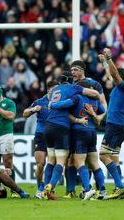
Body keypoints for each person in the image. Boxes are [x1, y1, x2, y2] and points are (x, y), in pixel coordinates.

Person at [43, 71, 99, 200]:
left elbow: (51, 102)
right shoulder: (73, 88)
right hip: (60, 126)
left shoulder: (54, 90)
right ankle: (50, 186)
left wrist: (52, 104)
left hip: (48, 126)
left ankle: (44, 189)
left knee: (51, 160)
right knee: (61, 161)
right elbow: (93, 94)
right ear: (70, 80)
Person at [65, 60, 107, 198]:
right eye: (71, 71)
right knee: (93, 162)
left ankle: (85, 189)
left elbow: (66, 109)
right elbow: (102, 108)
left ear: (83, 70)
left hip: (78, 130)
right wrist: (97, 117)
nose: (73, 73)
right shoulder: (93, 97)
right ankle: (102, 191)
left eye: (75, 70)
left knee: (77, 161)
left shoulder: (77, 94)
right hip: (92, 131)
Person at [98, 48, 124, 199]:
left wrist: (109, 58)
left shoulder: (123, 87)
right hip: (118, 125)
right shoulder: (118, 90)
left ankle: (119, 186)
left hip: (115, 126)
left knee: (103, 155)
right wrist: (105, 62)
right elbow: (112, 74)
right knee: (114, 157)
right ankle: (120, 192)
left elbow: (114, 74)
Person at [22, 80, 59, 199]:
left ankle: (49, 188)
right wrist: (33, 110)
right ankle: (39, 187)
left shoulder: (60, 102)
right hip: (41, 135)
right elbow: (24, 113)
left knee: (53, 164)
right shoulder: (39, 102)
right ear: (49, 90)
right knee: (40, 164)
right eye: (56, 89)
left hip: (55, 136)